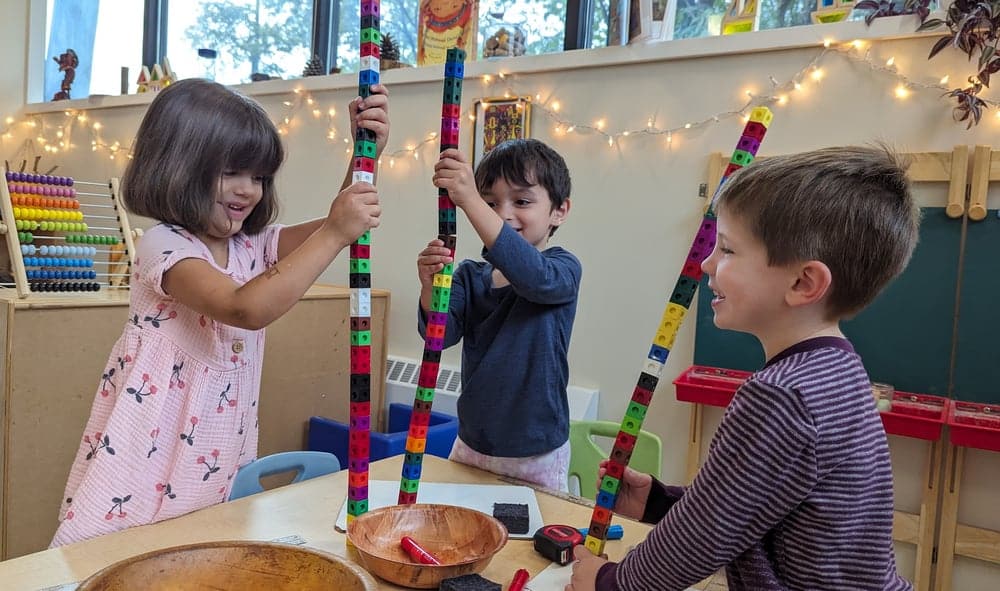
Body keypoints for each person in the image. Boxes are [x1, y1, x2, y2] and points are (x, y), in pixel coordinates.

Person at [50, 78, 389, 546]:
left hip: (216, 445)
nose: (248, 190)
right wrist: (335, 230)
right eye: (232, 172)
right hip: (148, 450)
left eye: (260, 177)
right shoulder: (164, 246)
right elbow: (243, 308)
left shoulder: (251, 244)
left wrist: (365, 155)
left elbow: (339, 221)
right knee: (115, 556)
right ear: (178, 166)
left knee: (199, 550)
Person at [568, 145, 920, 591]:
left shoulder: (781, 395)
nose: (707, 262)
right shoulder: (837, 370)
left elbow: (702, 536)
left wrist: (611, 583)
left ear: (802, 283)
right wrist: (660, 502)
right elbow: (750, 508)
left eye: (728, 249)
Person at [416, 139, 580, 491]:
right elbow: (439, 335)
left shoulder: (561, 269)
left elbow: (533, 277)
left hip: (537, 453)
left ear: (559, 211)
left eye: (521, 201)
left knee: (530, 541)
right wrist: (430, 287)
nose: (503, 213)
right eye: (491, 203)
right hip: (472, 444)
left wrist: (471, 200)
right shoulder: (469, 275)